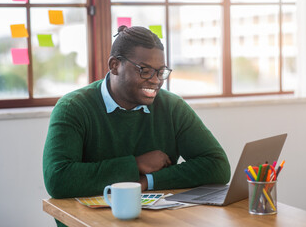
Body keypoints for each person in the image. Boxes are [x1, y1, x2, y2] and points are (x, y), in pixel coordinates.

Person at [43, 25, 230, 201]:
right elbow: (57, 179)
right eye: (145, 70)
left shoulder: (172, 107)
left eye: (161, 72)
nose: (155, 80)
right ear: (114, 65)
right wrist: (135, 165)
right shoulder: (72, 108)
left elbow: (218, 166)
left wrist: (147, 181)